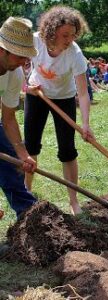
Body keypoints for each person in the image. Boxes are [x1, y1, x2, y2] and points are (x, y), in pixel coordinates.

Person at [24, 6, 94, 215]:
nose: (69, 40)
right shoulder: (34, 41)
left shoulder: (75, 54)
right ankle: (26, 194)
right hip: (36, 94)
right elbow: (17, 62)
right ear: (51, 31)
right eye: (65, 35)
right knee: (30, 148)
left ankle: (73, 202)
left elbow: (82, 93)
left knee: (67, 150)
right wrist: (25, 86)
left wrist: (86, 124)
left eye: (73, 35)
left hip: (64, 98)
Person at [0, 17, 38, 220]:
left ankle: (30, 217)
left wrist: (22, 154)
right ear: (2, 50)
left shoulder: (15, 74)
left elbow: (8, 119)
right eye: (20, 55)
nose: (25, 62)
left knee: (12, 166)